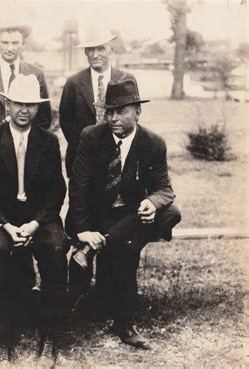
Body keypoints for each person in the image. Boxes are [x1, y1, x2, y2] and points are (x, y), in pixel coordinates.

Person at [67, 79, 181, 349]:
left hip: (131, 214)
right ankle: (124, 322)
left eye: (120, 111)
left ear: (137, 112)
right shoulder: (91, 136)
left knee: (171, 212)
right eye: (109, 112)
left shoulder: (153, 143)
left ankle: (94, 250)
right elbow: (79, 186)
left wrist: (152, 203)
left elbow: (164, 188)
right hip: (98, 215)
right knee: (126, 246)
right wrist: (83, 229)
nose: (113, 118)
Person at [0, 74, 69, 368]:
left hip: (37, 220)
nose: (24, 110)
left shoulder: (49, 142)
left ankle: (49, 335)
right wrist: (5, 225)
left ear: (39, 109)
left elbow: (56, 190)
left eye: (31, 105)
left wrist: (36, 224)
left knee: (55, 246)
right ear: (7, 105)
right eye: (18, 104)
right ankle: (1, 339)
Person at [59, 29, 136, 177]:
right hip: (82, 158)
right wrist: (85, 145)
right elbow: (66, 121)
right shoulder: (74, 82)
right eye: (90, 49)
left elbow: (132, 116)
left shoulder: (127, 79)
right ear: (85, 52)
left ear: (111, 49)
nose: (95, 55)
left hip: (118, 155)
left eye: (101, 48)